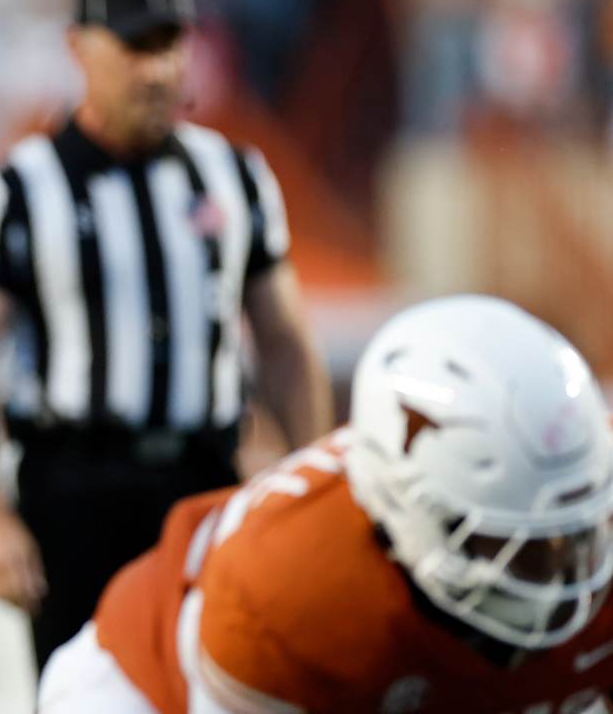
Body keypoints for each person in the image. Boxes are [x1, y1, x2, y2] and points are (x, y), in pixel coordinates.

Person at [0, 0, 331, 673]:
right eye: (137, 47)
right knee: (88, 688)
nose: (159, 69)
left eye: (172, 46)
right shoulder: (16, 188)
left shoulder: (236, 176)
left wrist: (313, 483)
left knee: (214, 685)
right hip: (73, 491)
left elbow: (285, 341)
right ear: (79, 48)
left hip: (203, 479)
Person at [40, 295, 613, 713]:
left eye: (578, 535)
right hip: (149, 686)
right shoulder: (294, 591)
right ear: (408, 513)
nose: (562, 572)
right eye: (522, 546)